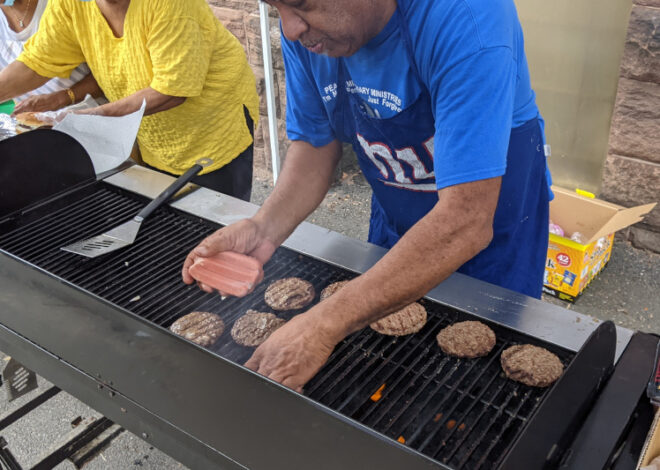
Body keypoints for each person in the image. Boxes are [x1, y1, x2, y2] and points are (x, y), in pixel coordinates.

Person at [182, 0, 551, 391]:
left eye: (300, 5)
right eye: (276, 9)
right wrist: (263, 227)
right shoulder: (310, 35)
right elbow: (315, 145)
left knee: (481, 387)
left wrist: (324, 323)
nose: (289, 29)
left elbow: (466, 220)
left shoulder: (468, 17)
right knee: (390, 368)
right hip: (397, 211)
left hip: (491, 236)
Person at [0, 0, 259, 200]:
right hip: (152, 136)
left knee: (211, 230)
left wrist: (88, 116)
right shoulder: (72, 4)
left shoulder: (170, 4)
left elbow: (171, 90)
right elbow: (37, 62)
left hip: (213, 129)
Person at [0, 0, 100, 113]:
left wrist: (63, 97)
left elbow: (108, 72)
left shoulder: (61, 5)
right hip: (34, 122)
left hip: (88, 114)